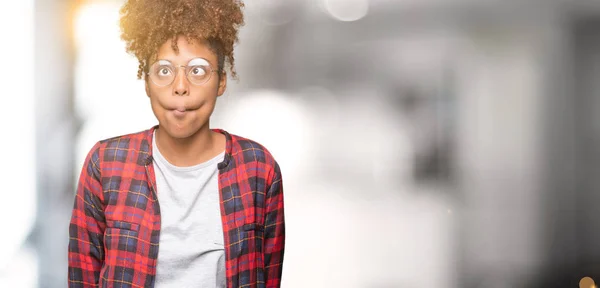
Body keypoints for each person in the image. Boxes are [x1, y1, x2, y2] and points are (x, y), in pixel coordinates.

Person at [67, 0, 285, 287]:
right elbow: (82, 277)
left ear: (221, 81)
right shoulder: (105, 164)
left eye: (197, 71)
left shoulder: (258, 169)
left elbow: (267, 278)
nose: (180, 86)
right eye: (164, 71)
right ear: (146, 82)